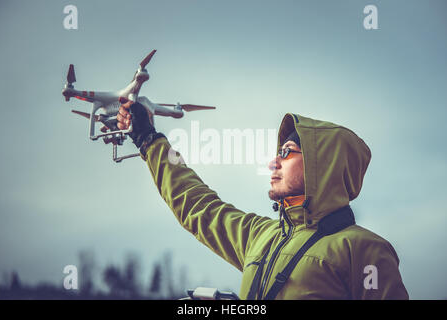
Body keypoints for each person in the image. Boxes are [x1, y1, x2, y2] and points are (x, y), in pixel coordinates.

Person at [116, 101, 409, 300]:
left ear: (323, 164)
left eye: (287, 152)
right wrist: (149, 140)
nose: (273, 163)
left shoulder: (364, 249)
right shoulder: (261, 236)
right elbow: (198, 206)